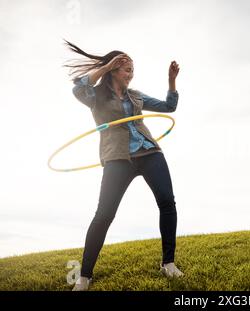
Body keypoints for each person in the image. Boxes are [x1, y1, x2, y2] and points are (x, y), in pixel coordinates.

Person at [64, 40, 183, 291]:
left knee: (167, 202)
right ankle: (84, 276)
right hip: (117, 157)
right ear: (113, 71)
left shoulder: (136, 96)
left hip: (149, 152)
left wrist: (171, 80)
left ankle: (168, 263)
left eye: (132, 69)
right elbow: (78, 89)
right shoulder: (95, 97)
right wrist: (106, 65)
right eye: (126, 69)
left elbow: (169, 107)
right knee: (104, 215)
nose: (131, 73)